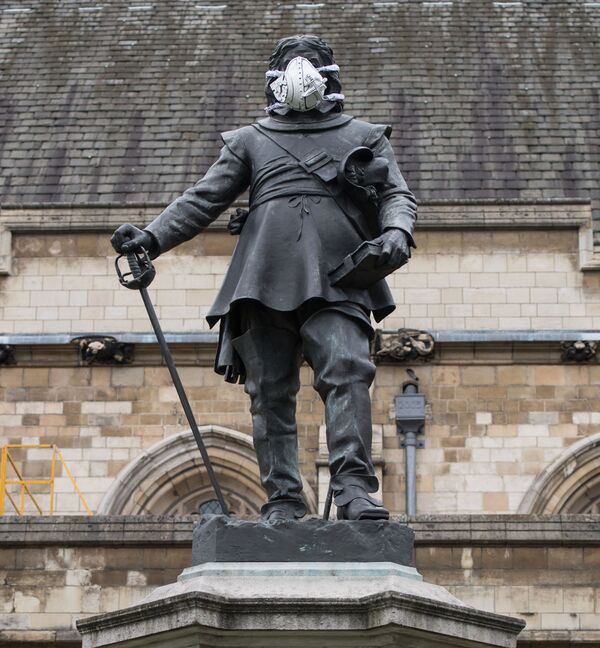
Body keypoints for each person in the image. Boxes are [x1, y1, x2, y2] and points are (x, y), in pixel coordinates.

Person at [111, 34, 417, 524]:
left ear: (329, 74)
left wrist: (398, 230)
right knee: (269, 391)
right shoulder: (250, 140)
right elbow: (202, 200)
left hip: (341, 273)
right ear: (274, 79)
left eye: (312, 63)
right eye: (293, 64)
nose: (302, 71)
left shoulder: (364, 135)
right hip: (263, 275)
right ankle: (285, 501)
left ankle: (355, 490)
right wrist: (149, 238)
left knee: (347, 367)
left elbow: (397, 195)